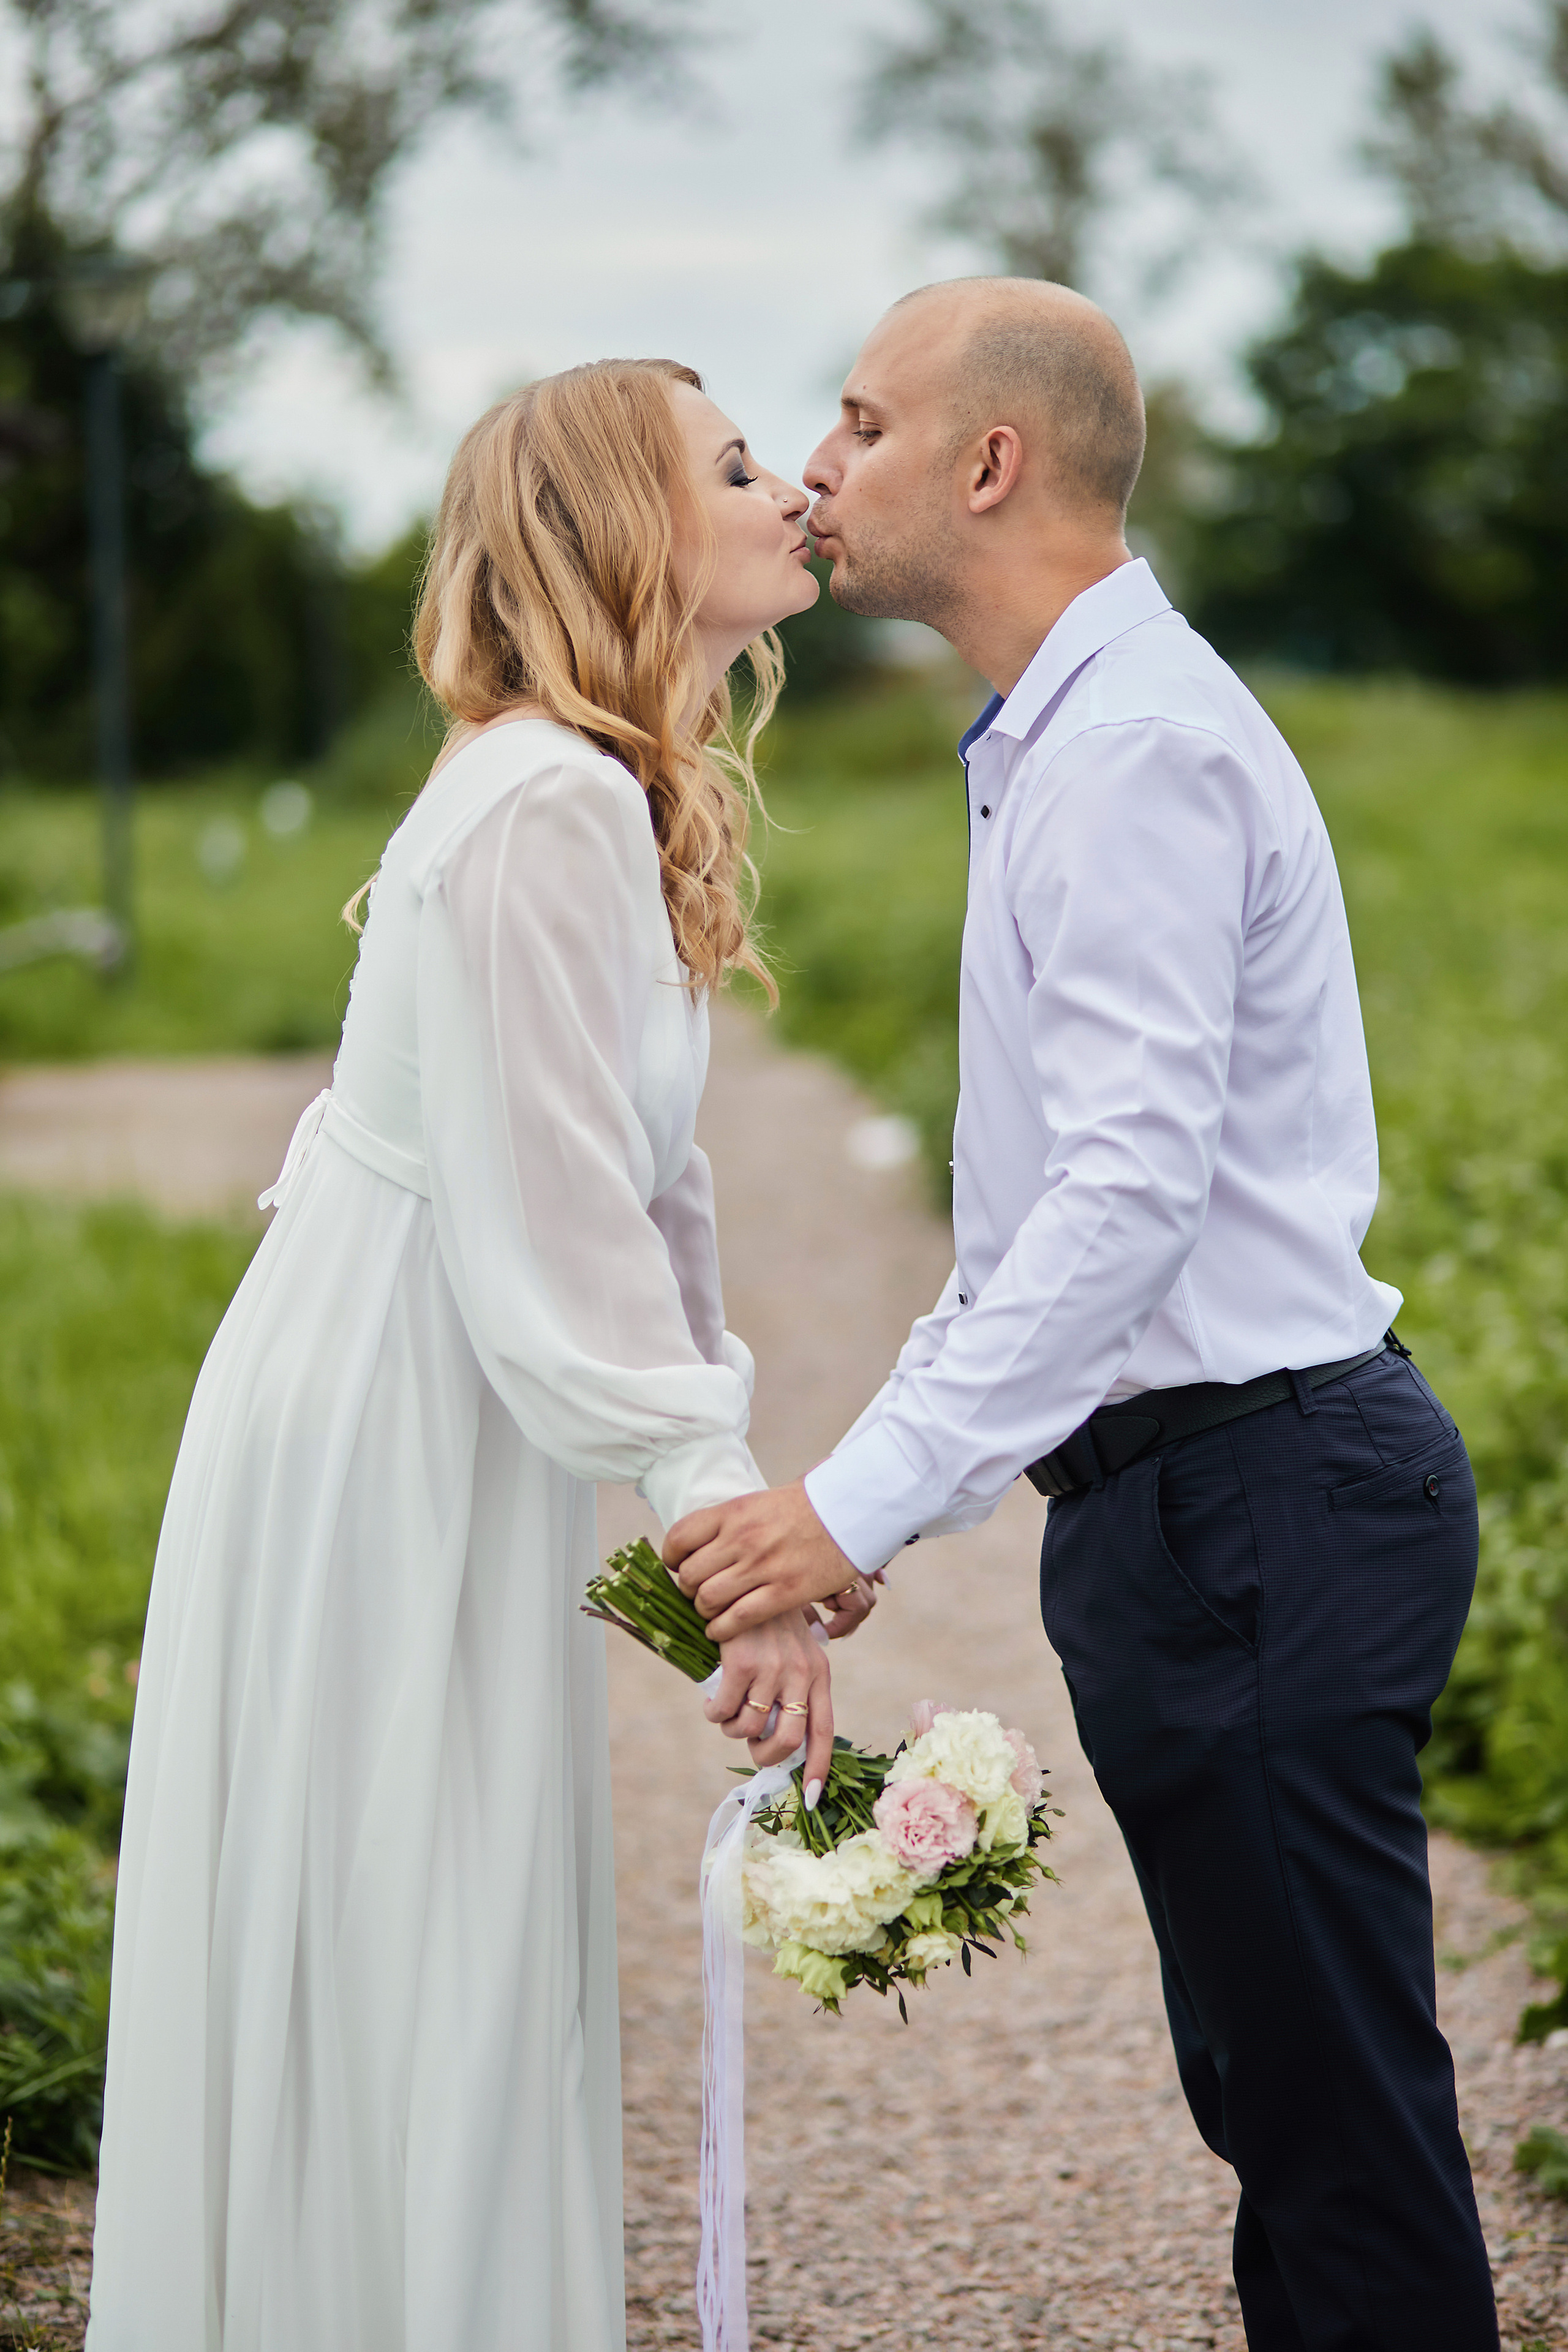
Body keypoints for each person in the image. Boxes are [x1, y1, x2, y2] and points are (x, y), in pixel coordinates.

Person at [669, 278, 1499, 2351]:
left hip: (1263, 1505)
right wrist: (917, 1473)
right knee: (1277, 2111)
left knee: (1336, 2141)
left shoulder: (1128, 746)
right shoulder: (1063, 734)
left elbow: (1124, 1205)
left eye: (857, 423)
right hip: (1201, 1508)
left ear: (989, 462)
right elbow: (1058, 1217)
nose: (822, 464)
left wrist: (858, 1501)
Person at [86, 358, 850, 2352]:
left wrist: (740, 1518)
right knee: (420, 1925)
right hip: (393, 1419)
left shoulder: (594, 793)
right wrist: (722, 1540)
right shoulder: (541, 803)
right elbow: (553, 1236)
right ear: (625, 530)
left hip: (451, 1385)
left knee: (440, 1922)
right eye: (738, 464)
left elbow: (641, 1196)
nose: (790, 491)